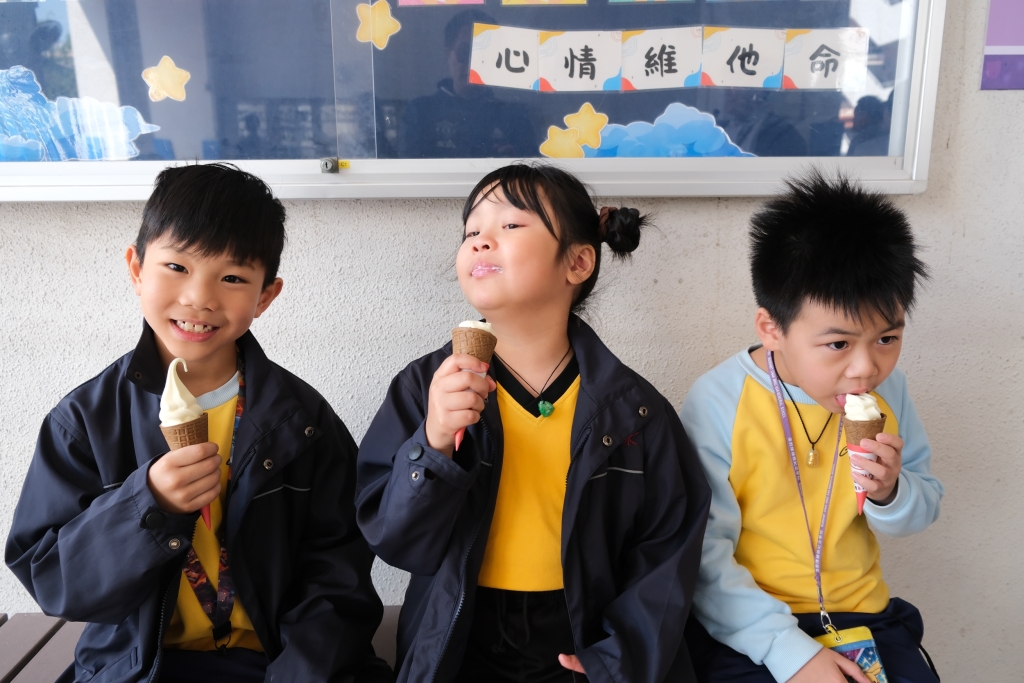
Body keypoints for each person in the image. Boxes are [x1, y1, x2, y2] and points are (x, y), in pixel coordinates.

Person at [6, 163, 391, 683]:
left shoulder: (302, 420)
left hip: (281, 662)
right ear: (136, 268)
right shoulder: (85, 421)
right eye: (176, 266)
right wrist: (148, 505)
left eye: (232, 278)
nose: (199, 298)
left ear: (265, 296)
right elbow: (56, 583)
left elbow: (337, 575)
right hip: (141, 668)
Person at [356, 163, 711, 683]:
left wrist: (616, 658)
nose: (481, 241)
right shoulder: (425, 388)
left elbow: (668, 548)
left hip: (584, 640)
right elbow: (394, 541)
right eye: (471, 231)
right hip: (459, 638)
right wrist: (433, 444)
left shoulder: (633, 408)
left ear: (578, 262)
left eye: (510, 225)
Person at [680, 171, 943, 683]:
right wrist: (789, 651)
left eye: (887, 338)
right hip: (748, 625)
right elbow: (702, 552)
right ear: (771, 329)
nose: (866, 368)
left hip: (864, 616)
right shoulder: (719, 400)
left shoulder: (889, 393)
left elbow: (923, 505)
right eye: (838, 344)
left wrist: (890, 493)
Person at [397, 10, 537, 159]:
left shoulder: (516, 119)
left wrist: (515, 161)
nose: (473, 64)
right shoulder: (419, 113)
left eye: (484, 55)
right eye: (465, 52)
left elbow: (531, 170)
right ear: (448, 54)